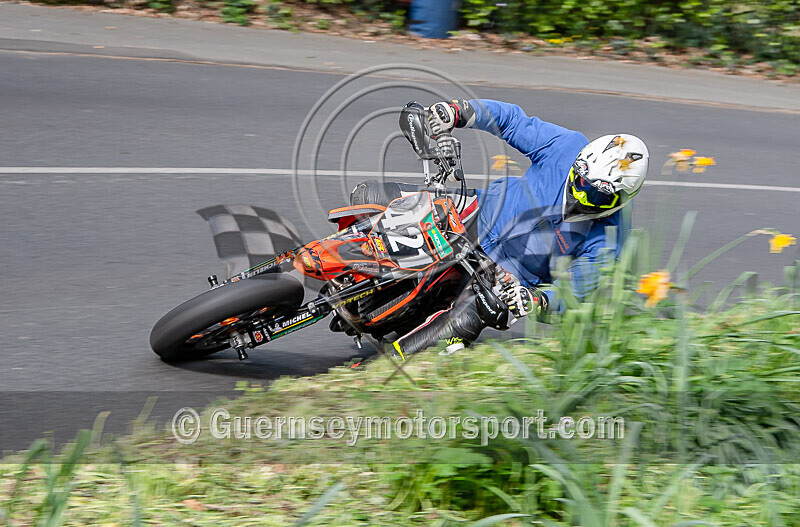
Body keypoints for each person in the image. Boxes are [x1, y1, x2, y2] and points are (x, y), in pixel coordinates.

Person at [350, 99, 649, 358]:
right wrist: (457, 111)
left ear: (623, 198)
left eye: (597, 194)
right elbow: (512, 121)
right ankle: (344, 262)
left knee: (462, 323)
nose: (580, 194)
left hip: (504, 278)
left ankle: (389, 365)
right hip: (477, 211)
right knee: (368, 196)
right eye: (580, 180)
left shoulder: (612, 239)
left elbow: (573, 294)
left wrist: (536, 301)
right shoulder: (567, 146)